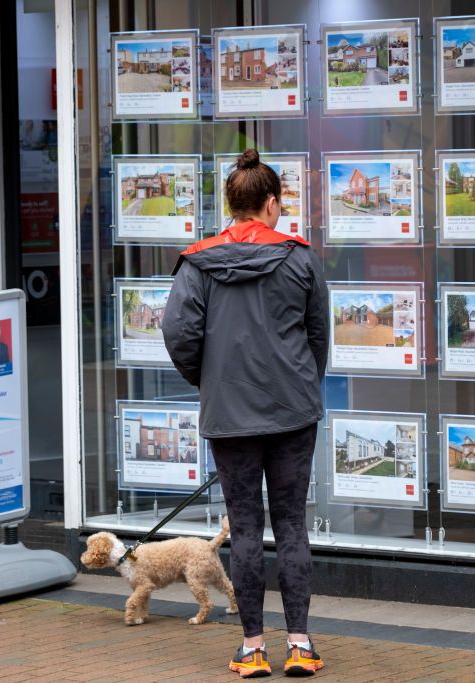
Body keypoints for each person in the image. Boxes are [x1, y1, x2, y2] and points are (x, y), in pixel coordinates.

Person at [162, 148, 328, 678]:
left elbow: (178, 334)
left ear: (231, 204)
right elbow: (318, 334)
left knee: (247, 529)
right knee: (293, 525)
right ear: (272, 204)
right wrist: (301, 382)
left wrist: (208, 380)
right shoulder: (300, 257)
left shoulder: (197, 261)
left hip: (230, 413)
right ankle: (300, 645)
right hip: (292, 411)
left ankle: (252, 648)